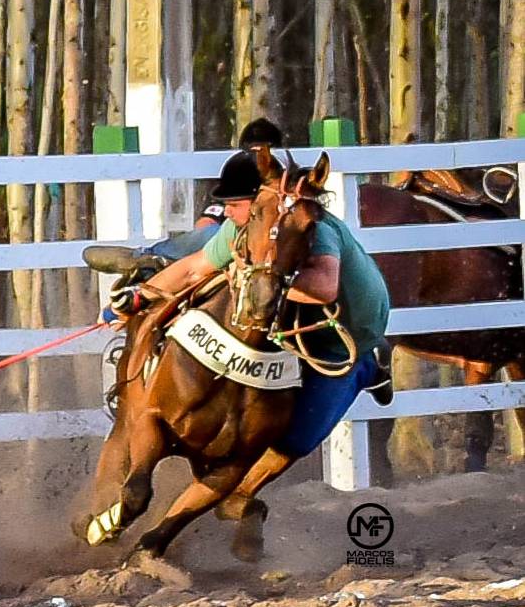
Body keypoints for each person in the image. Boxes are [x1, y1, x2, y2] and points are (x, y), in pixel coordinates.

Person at [109, 147, 393, 473]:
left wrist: (254, 275)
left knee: (297, 439)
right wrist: (139, 299)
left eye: (234, 205)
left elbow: (324, 289)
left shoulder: (313, 229)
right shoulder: (242, 228)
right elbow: (195, 268)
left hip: (345, 339)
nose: (225, 213)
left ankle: (373, 365)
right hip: (296, 328)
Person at [85, 117, 286, 272]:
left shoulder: (288, 184)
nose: (260, 160)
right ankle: (147, 258)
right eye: (254, 152)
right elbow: (207, 222)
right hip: (234, 238)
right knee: (211, 233)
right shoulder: (237, 181)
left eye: (264, 153)